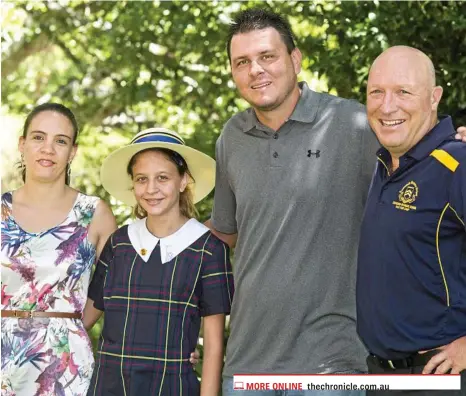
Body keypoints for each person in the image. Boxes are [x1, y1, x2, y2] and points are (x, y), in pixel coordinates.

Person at [204, 8, 466, 396]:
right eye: (242, 62)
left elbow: (419, 143)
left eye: (267, 56)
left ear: (295, 59)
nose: (255, 69)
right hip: (247, 366)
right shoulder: (232, 137)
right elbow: (222, 235)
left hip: (335, 367)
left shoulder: (359, 125)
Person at [84, 127, 234, 396]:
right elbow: (84, 319)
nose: (151, 189)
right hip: (108, 387)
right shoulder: (119, 243)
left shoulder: (209, 250)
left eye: (162, 178)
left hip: (172, 387)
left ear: (183, 180)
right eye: (142, 179)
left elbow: (213, 348)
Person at [356, 46, 466, 395]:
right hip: (381, 375)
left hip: (438, 379)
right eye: (377, 92)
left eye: (403, 91)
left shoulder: (457, 165)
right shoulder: (385, 165)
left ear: (434, 98)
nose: (387, 106)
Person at [1, 103, 117, 396]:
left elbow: (115, 293)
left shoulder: (95, 213)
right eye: (39, 137)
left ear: (73, 152)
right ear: (22, 145)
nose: (48, 149)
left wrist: (68, 326)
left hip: (66, 366)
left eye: (60, 141)